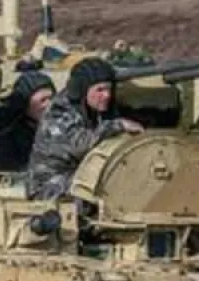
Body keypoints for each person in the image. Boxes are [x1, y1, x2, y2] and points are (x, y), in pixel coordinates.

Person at [25, 56, 143, 200]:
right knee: (109, 185)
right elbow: (81, 144)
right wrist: (119, 125)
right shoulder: (59, 112)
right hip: (48, 184)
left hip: (77, 174)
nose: (106, 95)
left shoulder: (91, 108)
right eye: (99, 90)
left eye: (109, 89)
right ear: (82, 90)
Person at [0, 67, 54, 172]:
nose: (49, 105)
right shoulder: (4, 131)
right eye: (43, 100)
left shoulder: (56, 124)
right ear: (25, 103)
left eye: (51, 98)